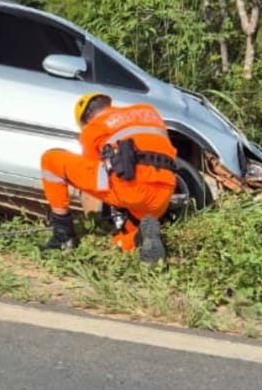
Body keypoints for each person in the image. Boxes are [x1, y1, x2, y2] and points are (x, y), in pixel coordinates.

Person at [39, 92, 179, 264]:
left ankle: (63, 235)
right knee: (126, 233)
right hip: (163, 194)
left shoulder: (92, 129)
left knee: (51, 160)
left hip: (131, 190)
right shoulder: (148, 111)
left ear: (85, 120)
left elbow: (95, 169)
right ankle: (138, 237)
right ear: (107, 105)